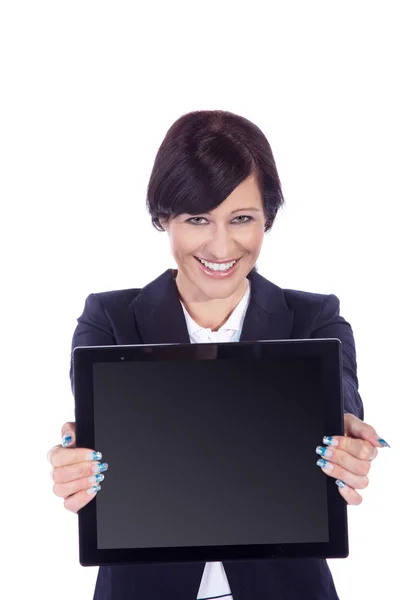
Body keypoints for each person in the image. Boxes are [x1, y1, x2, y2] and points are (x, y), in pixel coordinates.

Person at [47, 110, 390, 600]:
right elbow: (93, 432)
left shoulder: (314, 319)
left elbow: (341, 395)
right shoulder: (110, 321)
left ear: (267, 218)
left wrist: (346, 428)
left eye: (242, 219)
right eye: (197, 219)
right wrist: (73, 463)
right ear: (163, 217)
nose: (221, 245)